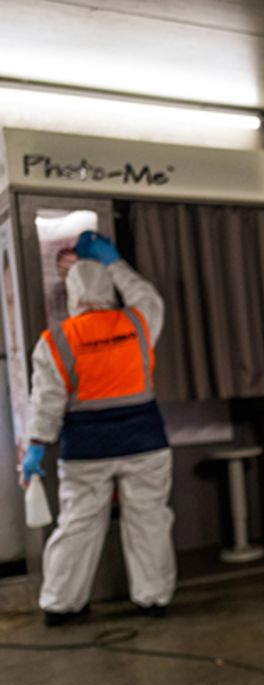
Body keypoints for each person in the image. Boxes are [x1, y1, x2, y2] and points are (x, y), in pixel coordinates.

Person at [22, 231, 175, 627]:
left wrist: (36, 446)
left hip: (86, 448)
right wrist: (115, 261)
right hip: (145, 441)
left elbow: (47, 401)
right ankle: (153, 599)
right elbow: (148, 296)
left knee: (77, 524)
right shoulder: (138, 321)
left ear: (71, 293)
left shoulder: (55, 340)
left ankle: (60, 604)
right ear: (108, 287)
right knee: (149, 520)